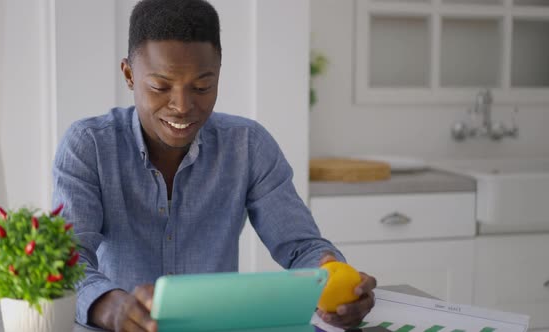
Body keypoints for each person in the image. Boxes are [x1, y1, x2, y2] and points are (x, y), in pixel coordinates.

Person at [52, 0, 376, 331]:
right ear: (130, 75)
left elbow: (302, 247)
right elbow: (67, 261)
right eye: (161, 86)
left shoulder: (248, 145)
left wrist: (338, 282)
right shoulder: (88, 145)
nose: (182, 106)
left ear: (219, 73)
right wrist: (111, 306)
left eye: (202, 86)